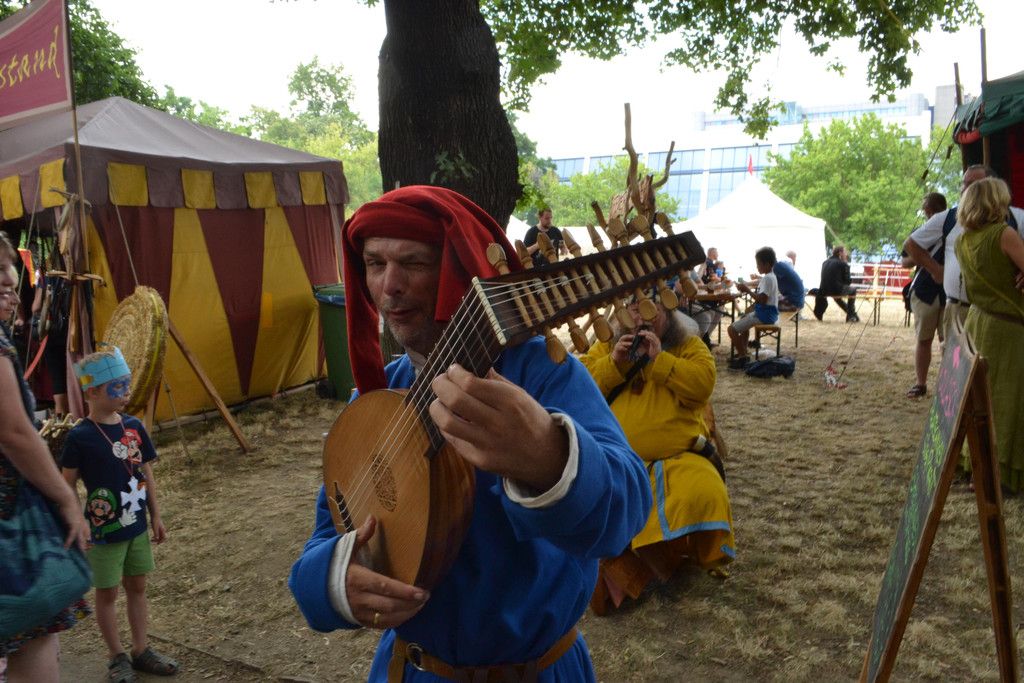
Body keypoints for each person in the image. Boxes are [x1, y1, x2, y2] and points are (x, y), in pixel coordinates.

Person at [288, 186, 650, 681]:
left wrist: (549, 455)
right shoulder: (376, 397)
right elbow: (322, 542)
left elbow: (626, 513)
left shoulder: (542, 374)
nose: (389, 286)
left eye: (413, 263)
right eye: (374, 264)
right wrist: (334, 582)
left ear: (458, 271)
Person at [580, 296, 734, 614]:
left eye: (654, 309)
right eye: (634, 309)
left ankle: (679, 559)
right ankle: (646, 568)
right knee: (602, 501)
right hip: (617, 460)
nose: (643, 317)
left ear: (668, 314)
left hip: (681, 457)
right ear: (622, 314)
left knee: (703, 490)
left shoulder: (688, 345)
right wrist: (614, 364)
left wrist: (660, 361)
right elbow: (581, 388)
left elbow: (702, 385)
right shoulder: (606, 345)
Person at [0, 232, 90, 683]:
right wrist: (64, 497)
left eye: (9, 271)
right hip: (9, 516)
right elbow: (14, 431)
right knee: (33, 629)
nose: (10, 283)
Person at [61, 348, 177, 683]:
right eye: (118, 386)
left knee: (137, 586)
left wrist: (156, 516)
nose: (126, 392)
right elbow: (67, 484)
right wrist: (78, 521)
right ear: (92, 391)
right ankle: (116, 656)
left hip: (137, 526)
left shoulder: (134, 426)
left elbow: (146, 472)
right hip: (104, 532)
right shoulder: (80, 436)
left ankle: (141, 649)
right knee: (108, 593)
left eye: (127, 384)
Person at [954, 177, 1024, 491]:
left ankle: (974, 467)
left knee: (978, 399)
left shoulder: (963, 240)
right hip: (1007, 328)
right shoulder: (1003, 234)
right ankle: (999, 474)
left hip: (978, 321)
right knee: (1005, 402)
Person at [903, 165, 1024, 338]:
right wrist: (936, 270)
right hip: (965, 311)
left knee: (970, 355)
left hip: (999, 315)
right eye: (964, 183)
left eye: (972, 184)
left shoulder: (1013, 222)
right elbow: (911, 244)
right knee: (959, 354)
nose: (965, 189)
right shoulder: (952, 222)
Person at [902, 192, 948, 399]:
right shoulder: (919, 233)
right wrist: (921, 256)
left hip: (948, 291)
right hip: (924, 290)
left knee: (948, 342)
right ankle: (921, 383)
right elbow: (905, 262)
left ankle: (948, 385)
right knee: (924, 339)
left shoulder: (952, 229)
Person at [728, 247, 780, 369]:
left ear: (767, 264)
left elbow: (762, 300)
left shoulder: (767, 278)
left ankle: (742, 358)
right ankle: (743, 351)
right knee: (744, 317)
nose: (757, 267)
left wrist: (747, 290)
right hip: (770, 314)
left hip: (764, 315)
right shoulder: (771, 276)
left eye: (759, 264)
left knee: (731, 329)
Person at [813, 245, 859, 322]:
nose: (846, 254)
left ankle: (852, 314)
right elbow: (847, 281)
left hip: (823, 291)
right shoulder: (843, 264)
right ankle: (851, 315)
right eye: (845, 252)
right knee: (853, 290)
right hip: (835, 290)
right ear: (840, 253)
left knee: (837, 296)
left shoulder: (825, 262)